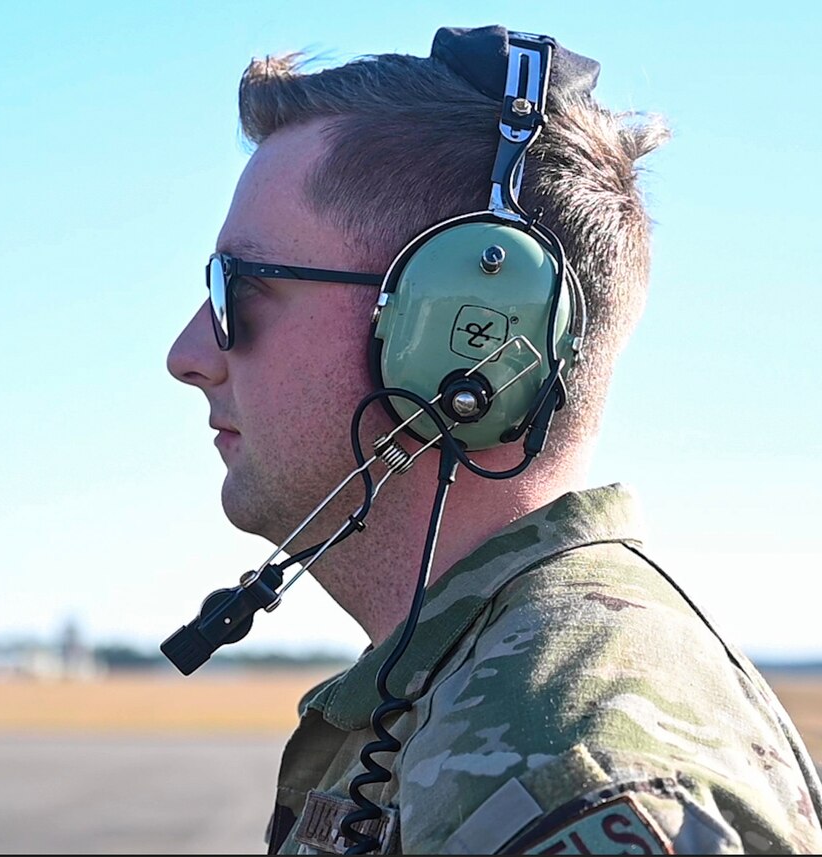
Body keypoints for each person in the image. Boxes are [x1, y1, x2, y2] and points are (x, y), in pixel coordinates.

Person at [165, 25, 822, 856]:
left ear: (463, 334)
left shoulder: (562, 761)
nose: (187, 355)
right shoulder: (487, 695)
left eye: (241, 287)